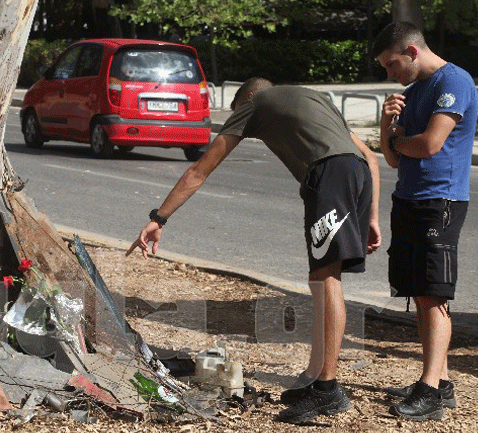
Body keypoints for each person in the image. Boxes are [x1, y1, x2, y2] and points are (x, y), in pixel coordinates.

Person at [126, 78, 381, 424]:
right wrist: (372, 216)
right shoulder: (312, 98)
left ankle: (328, 390)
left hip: (330, 175)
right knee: (320, 279)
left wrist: (159, 218)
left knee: (327, 280)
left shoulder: (255, 104)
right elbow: (369, 157)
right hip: (353, 174)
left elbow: (199, 171)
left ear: (247, 99)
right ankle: (318, 377)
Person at [373, 22, 478, 422]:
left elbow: (430, 144)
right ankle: (442, 381)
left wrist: (396, 139)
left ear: (413, 52)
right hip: (409, 199)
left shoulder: (456, 81)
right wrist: (387, 124)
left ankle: (430, 391)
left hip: (442, 201)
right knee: (418, 290)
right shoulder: (412, 93)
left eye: (392, 64)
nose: (390, 73)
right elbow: (395, 158)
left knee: (434, 293)